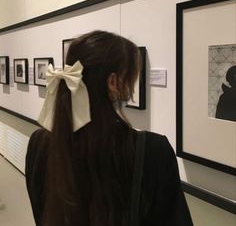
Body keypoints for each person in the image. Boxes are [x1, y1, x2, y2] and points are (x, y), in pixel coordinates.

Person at [25, 30, 193, 226]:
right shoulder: (153, 151)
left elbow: (41, 213)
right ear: (113, 82)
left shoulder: (40, 143)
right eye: (132, 78)